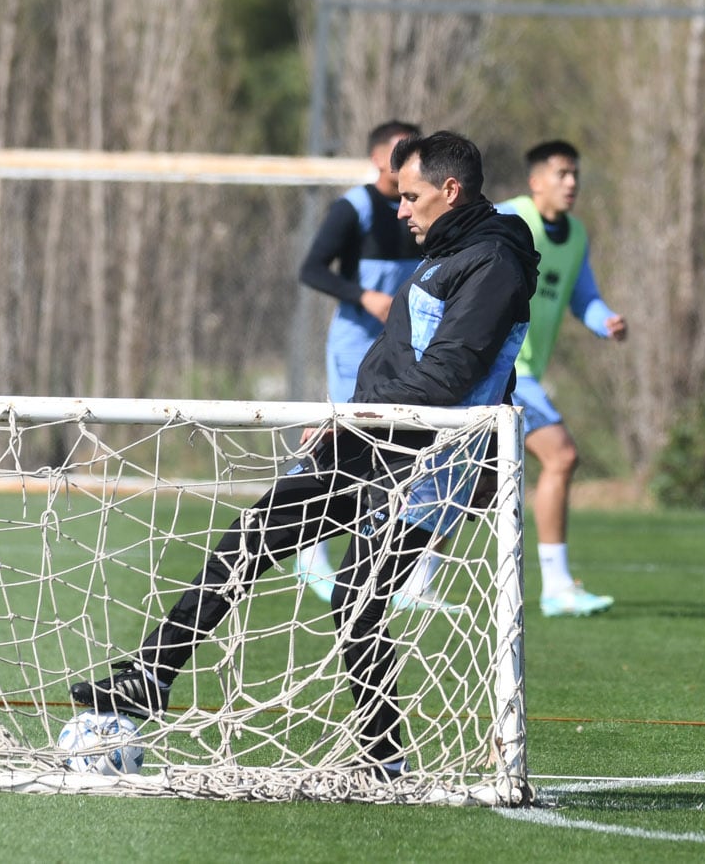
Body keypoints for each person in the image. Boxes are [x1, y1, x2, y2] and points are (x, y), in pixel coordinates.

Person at [71, 131, 539, 779]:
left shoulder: (493, 262)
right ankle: (148, 677)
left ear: (450, 190)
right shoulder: (453, 253)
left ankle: (384, 759)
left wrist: (354, 416)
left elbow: (451, 377)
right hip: (368, 443)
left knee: (354, 601)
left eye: (412, 197)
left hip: (427, 464)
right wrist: (347, 422)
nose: (401, 211)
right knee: (250, 537)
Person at [292, 119, 426, 606]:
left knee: (412, 448)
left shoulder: (428, 209)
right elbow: (310, 269)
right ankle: (307, 547)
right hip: (356, 344)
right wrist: (364, 296)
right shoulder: (354, 207)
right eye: (397, 151)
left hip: (406, 347)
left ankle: (410, 576)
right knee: (340, 436)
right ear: (375, 158)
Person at [498, 139, 627, 617]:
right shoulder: (506, 220)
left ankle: (414, 575)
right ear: (535, 181)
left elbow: (583, 295)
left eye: (575, 174)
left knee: (470, 479)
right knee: (562, 454)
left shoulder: (574, 235)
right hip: (500, 367)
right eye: (561, 173)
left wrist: (605, 320)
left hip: (521, 372)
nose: (571, 183)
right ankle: (555, 586)